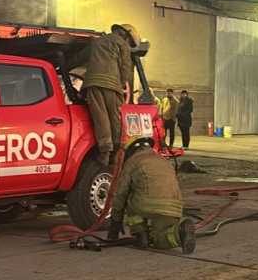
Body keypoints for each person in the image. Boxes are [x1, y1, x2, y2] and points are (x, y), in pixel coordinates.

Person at [108, 136, 196, 254]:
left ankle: (140, 234)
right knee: (162, 240)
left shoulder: (132, 161)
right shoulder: (163, 160)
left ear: (131, 151)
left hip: (147, 205)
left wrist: (115, 223)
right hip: (174, 207)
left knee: (129, 198)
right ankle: (179, 233)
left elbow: (120, 194)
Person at [82, 23, 138, 167]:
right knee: (114, 118)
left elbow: (83, 60)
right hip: (112, 85)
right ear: (126, 35)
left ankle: (104, 153)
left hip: (92, 83)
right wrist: (120, 84)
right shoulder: (122, 44)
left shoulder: (98, 41)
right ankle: (115, 154)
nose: (129, 43)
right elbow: (126, 68)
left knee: (100, 118)